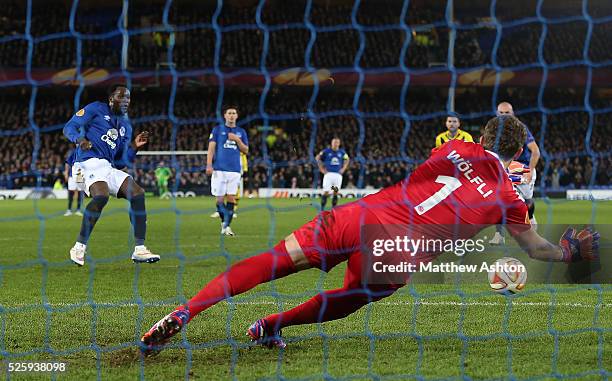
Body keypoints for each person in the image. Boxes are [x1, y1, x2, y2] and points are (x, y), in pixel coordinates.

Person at [140, 116, 599, 354]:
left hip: (361, 214)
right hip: (400, 250)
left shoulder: (455, 145)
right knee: (355, 296)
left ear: (479, 137)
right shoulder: (508, 196)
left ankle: (186, 311)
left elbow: (472, 161)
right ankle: (269, 326)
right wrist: (568, 251)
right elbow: (534, 246)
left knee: (277, 260)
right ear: (519, 150)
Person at [63, 84, 160, 266]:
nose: (125, 101)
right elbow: (69, 127)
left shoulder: (126, 126)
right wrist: (79, 139)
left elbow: (121, 161)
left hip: (106, 166)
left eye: (128, 98)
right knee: (101, 195)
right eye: (120, 97)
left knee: (137, 194)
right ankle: (78, 247)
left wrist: (134, 147)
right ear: (111, 99)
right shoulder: (96, 109)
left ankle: (139, 249)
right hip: (85, 162)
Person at [489, 102, 541, 245]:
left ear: (513, 114)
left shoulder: (521, 129)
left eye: (507, 113)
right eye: (501, 113)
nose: (504, 116)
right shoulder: (494, 131)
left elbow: (535, 152)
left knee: (527, 202)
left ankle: (531, 223)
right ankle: (499, 235)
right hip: (504, 169)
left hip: (522, 170)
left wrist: (530, 171)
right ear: (497, 114)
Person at [206, 106, 248, 236]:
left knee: (231, 198)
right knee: (219, 200)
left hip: (234, 170)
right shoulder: (217, 130)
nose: (231, 115)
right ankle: (224, 222)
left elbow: (246, 150)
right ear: (225, 115)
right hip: (219, 169)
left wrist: (237, 140)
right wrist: (209, 165)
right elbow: (211, 149)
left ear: (236, 116)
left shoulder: (241, 132)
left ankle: (226, 226)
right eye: (229, 113)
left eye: (234, 113)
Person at [316, 137, 349, 210]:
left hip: (338, 175)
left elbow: (347, 159)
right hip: (328, 174)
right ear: (331, 143)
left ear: (339, 144)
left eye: (337, 142)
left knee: (335, 192)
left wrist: (343, 168)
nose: (335, 144)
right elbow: (318, 157)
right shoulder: (326, 151)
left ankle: (333, 210)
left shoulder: (342, 152)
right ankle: (322, 209)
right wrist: (321, 168)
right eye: (334, 142)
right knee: (326, 192)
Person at [63, 148, 84, 216]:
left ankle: (78, 210)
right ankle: (69, 210)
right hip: (72, 175)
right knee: (71, 193)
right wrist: (66, 172)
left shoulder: (86, 152)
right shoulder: (73, 152)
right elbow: (68, 162)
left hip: (80, 175)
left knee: (80, 193)